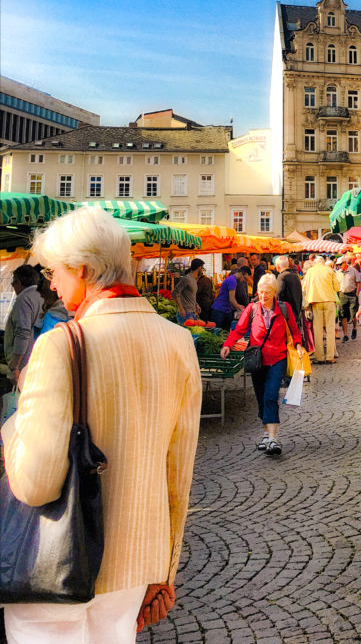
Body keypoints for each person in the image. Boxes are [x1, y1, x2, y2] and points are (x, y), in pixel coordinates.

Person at [2, 206, 201, 643]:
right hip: (134, 567)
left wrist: (11, 429)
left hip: (54, 563)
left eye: (56, 271)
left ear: (85, 270)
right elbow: (178, 475)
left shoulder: (59, 346)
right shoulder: (179, 342)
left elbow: (35, 483)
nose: (51, 282)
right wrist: (164, 571)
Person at [221, 273, 303, 457]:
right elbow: (239, 330)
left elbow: (295, 331)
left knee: (271, 395)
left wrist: (298, 345)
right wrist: (227, 345)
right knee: (260, 398)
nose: (263, 296)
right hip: (257, 361)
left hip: (278, 358)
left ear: (274, 292)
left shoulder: (284, 308)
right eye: (260, 292)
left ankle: (273, 438)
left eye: (267, 292)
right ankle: (266, 434)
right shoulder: (251, 309)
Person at [4, 264, 44, 385]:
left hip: (23, 363)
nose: (13, 286)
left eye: (13, 283)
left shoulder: (24, 299)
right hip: (35, 358)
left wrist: (15, 367)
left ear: (20, 282)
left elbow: (22, 333)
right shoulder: (40, 296)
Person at [301, 255, 340, 363]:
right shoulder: (329, 270)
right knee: (330, 329)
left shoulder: (310, 272)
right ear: (323, 262)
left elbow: (304, 287)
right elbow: (337, 287)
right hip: (329, 301)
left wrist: (307, 304)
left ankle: (319, 357)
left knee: (317, 330)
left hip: (315, 302)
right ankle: (330, 357)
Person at [172, 258, 204, 325]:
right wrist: (181, 309)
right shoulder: (186, 279)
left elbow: (190, 295)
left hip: (192, 313)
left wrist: (196, 304)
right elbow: (175, 293)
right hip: (185, 314)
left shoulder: (194, 280)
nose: (202, 270)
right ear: (199, 267)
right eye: (202, 268)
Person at [211, 264, 242, 330]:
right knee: (219, 332)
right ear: (242, 274)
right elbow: (232, 299)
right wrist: (240, 307)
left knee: (223, 333)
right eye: (244, 278)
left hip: (224, 310)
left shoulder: (230, 278)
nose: (243, 280)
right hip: (220, 310)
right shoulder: (233, 281)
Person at [337, 260, 361, 341]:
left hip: (352, 294)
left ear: (345, 263)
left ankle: (354, 328)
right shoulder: (338, 273)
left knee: (353, 314)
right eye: (338, 264)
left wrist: (357, 294)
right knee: (343, 314)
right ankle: (345, 334)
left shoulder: (353, 271)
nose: (339, 266)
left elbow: (358, 282)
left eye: (341, 264)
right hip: (342, 295)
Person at [275, 255, 303, 322]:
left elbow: (278, 295)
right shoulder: (295, 276)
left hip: (286, 314)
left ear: (278, 266)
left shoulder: (282, 277)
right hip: (295, 312)